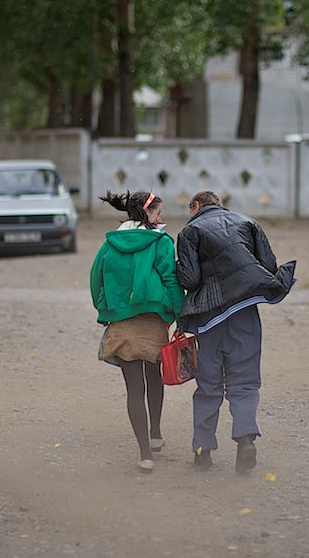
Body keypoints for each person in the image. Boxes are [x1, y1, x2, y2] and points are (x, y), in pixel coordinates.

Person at [176, 190, 296, 472]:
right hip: (245, 314)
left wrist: (178, 270)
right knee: (244, 381)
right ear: (218, 204)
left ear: (195, 206)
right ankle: (245, 441)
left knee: (208, 386)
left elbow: (191, 279)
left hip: (210, 320)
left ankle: (203, 450)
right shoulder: (249, 222)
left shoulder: (190, 231)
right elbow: (267, 267)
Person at [90, 190, 184, 472]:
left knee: (134, 388)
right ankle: (155, 435)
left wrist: (105, 310)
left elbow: (96, 279)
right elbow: (170, 278)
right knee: (154, 377)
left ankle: (145, 454)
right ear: (146, 214)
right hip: (153, 318)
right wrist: (179, 313)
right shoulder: (161, 242)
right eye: (157, 213)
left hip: (121, 321)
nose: (161, 218)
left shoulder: (110, 244)